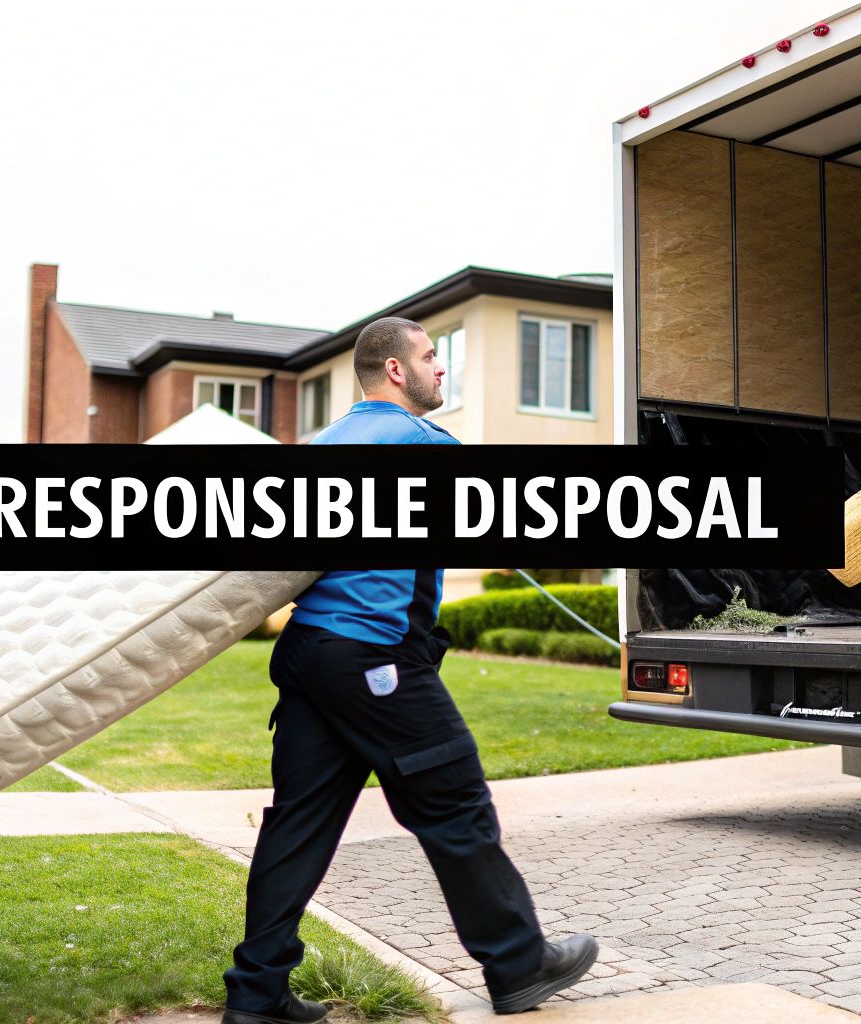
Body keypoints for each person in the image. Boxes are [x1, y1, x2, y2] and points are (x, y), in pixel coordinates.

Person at [222, 318, 597, 1024]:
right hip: (375, 656)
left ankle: (256, 995)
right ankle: (519, 965)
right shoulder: (423, 442)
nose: (441, 370)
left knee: (296, 825)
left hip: (308, 656)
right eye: (431, 357)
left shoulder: (320, 444)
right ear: (396, 371)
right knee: (455, 803)